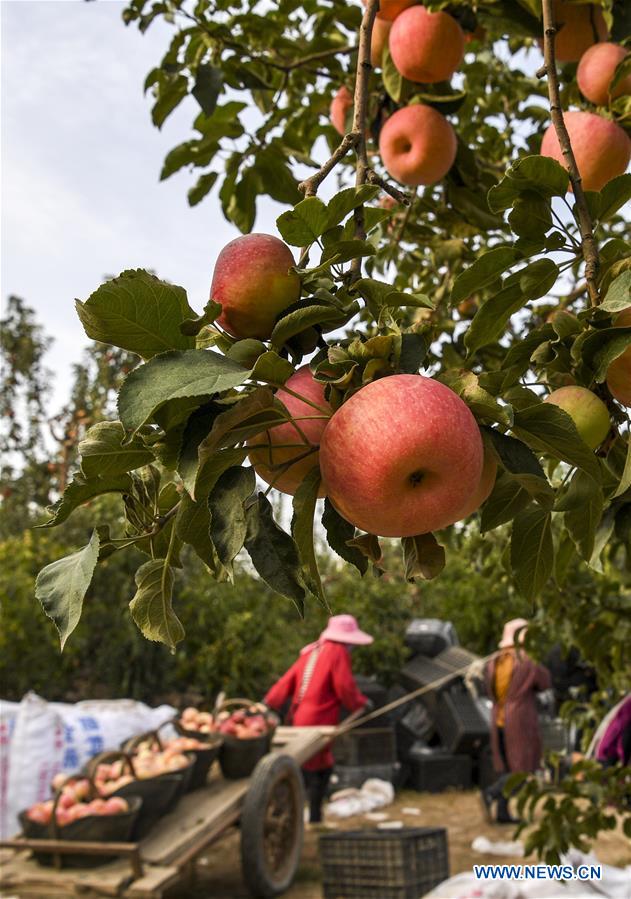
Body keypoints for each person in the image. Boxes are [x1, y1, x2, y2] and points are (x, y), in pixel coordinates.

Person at [263, 614, 373, 824]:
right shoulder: (337, 651)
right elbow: (344, 687)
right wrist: (360, 703)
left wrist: (269, 701)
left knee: (317, 765)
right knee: (316, 769)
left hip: (300, 718)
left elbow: (287, 681)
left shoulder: (312, 650)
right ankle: (310, 816)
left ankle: (309, 815)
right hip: (319, 719)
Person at [481, 618, 551, 824]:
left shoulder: (494, 662)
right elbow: (545, 682)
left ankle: (503, 812)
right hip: (519, 719)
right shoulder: (526, 660)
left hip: (498, 718)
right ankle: (493, 793)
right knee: (520, 769)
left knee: (507, 767)